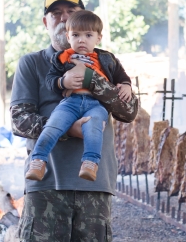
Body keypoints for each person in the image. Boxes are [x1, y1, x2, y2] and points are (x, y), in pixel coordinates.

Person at [10, 0, 124, 242]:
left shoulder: (107, 63)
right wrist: (67, 129)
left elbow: (128, 111)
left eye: (71, 13)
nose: (63, 20)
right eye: (55, 14)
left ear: (85, 23)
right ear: (45, 23)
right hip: (46, 185)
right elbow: (19, 120)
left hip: (95, 185)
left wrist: (94, 80)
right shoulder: (33, 64)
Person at [25, 10, 132, 182]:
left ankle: (90, 163)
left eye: (88, 35)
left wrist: (126, 85)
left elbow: (122, 77)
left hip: (96, 104)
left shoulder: (107, 59)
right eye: (76, 35)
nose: (81, 39)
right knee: (54, 124)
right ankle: (38, 160)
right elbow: (50, 80)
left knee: (95, 126)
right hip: (71, 102)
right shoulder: (62, 58)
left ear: (98, 38)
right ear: (68, 37)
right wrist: (63, 82)